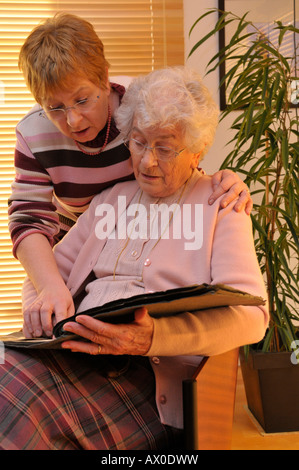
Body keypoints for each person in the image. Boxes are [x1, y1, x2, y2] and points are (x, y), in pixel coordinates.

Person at [0, 67, 268, 451]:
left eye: (165, 148)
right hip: (75, 353)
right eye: (139, 143)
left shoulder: (220, 204)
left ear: (197, 151)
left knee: (20, 407)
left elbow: (253, 318)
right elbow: (46, 276)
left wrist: (153, 339)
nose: (147, 162)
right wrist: (41, 307)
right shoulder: (111, 200)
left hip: (146, 377)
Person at [7, 13, 253, 339]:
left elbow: (177, 159)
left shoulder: (139, 106)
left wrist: (222, 183)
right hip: (78, 250)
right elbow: (29, 221)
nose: (74, 120)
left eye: (83, 99)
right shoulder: (33, 133)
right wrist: (49, 291)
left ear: (104, 78)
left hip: (145, 242)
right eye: (55, 108)